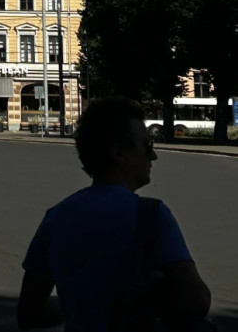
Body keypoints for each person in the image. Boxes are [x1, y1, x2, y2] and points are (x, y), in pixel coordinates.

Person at [18, 96, 212, 332]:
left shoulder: (56, 217)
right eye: (147, 146)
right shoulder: (152, 215)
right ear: (119, 153)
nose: (153, 156)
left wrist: (80, 305)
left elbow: (30, 312)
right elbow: (197, 301)